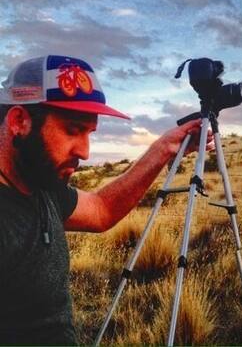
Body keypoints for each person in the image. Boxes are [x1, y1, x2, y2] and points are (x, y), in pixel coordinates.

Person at [0, 55, 210, 345]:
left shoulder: (40, 185)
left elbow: (101, 210)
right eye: (72, 130)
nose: (85, 152)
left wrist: (164, 149)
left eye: (89, 133)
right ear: (20, 121)